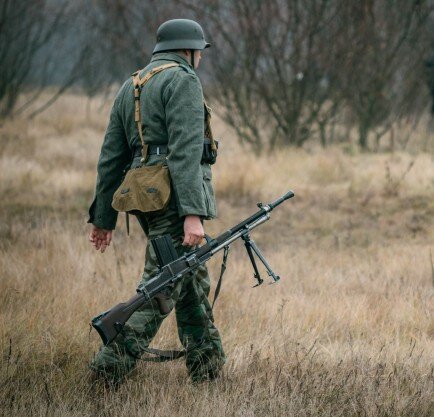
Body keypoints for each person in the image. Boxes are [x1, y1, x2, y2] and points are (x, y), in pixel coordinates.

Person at [87, 19, 225, 384]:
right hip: (174, 201)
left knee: (190, 283)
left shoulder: (131, 84)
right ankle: (109, 368)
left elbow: (111, 158)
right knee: (160, 289)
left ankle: (207, 371)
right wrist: (192, 214)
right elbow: (184, 152)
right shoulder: (182, 80)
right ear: (189, 50)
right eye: (199, 53)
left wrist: (103, 218)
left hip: (145, 198)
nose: (199, 59)